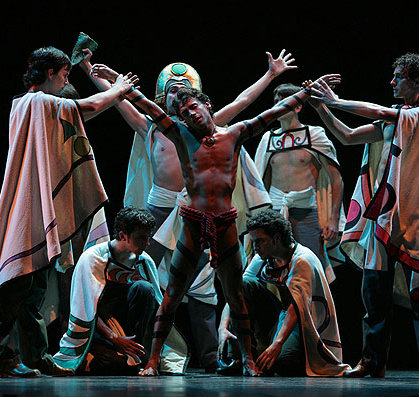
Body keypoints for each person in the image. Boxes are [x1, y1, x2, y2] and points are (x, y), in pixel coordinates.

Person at [78, 46, 290, 372]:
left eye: (185, 93)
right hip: (159, 210)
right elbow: (123, 99)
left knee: (205, 283)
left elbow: (243, 102)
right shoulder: (152, 127)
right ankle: (146, 355)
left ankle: (210, 357)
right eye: (172, 93)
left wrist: (270, 75)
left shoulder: (208, 125)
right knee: (148, 281)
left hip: (198, 211)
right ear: (164, 97)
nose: (180, 100)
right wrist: (100, 74)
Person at [113, 78, 316, 376]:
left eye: (193, 107)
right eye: (183, 112)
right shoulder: (180, 136)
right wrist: (124, 89)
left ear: (207, 106)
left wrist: (306, 92)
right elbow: (151, 111)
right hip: (194, 222)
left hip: (225, 223)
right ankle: (154, 360)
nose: (190, 114)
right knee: (172, 294)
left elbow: (270, 114)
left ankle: (247, 358)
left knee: (236, 294)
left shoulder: (233, 134)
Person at [0, 46, 137, 378]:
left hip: (35, 203)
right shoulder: (35, 102)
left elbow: (79, 114)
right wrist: (120, 90)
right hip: (27, 206)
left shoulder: (30, 105)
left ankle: (36, 357)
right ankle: (5, 361)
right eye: (64, 75)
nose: (65, 82)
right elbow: (87, 106)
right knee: (13, 286)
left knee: (32, 290)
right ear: (50, 73)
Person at [307, 53, 419, 379]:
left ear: (417, 80)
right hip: (385, 216)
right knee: (374, 289)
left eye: (399, 76)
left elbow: (381, 111)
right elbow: (348, 136)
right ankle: (373, 360)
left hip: (415, 216)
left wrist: (337, 99)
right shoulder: (393, 121)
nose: (392, 81)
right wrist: (322, 108)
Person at [53, 206, 189, 375]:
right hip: (98, 330)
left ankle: (134, 351)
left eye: (148, 238)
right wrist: (113, 338)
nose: (146, 244)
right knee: (110, 362)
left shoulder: (144, 261)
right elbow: (86, 309)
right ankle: (108, 356)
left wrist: (153, 357)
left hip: (126, 332)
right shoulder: (93, 259)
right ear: (123, 235)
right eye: (141, 238)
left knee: (144, 288)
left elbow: (158, 308)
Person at [217, 209, 350, 376]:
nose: (255, 247)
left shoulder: (302, 259)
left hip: (303, 323)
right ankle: (246, 357)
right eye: (254, 242)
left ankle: (265, 353)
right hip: (280, 315)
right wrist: (223, 327)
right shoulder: (263, 256)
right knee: (244, 283)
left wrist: (277, 345)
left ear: (277, 238)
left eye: (260, 241)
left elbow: (296, 308)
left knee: (284, 362)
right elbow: (236, 291)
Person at [253, 82, 346, 275]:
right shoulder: (267, 139)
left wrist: (333, 219)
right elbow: (258, 182)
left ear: (298, 106)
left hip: (308, 212)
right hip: (275, 213)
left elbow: (336, 179)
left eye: (285, 102)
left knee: (312, 267)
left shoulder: (314, 135)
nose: (279, 106)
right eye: (277, 102)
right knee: (274, 269)